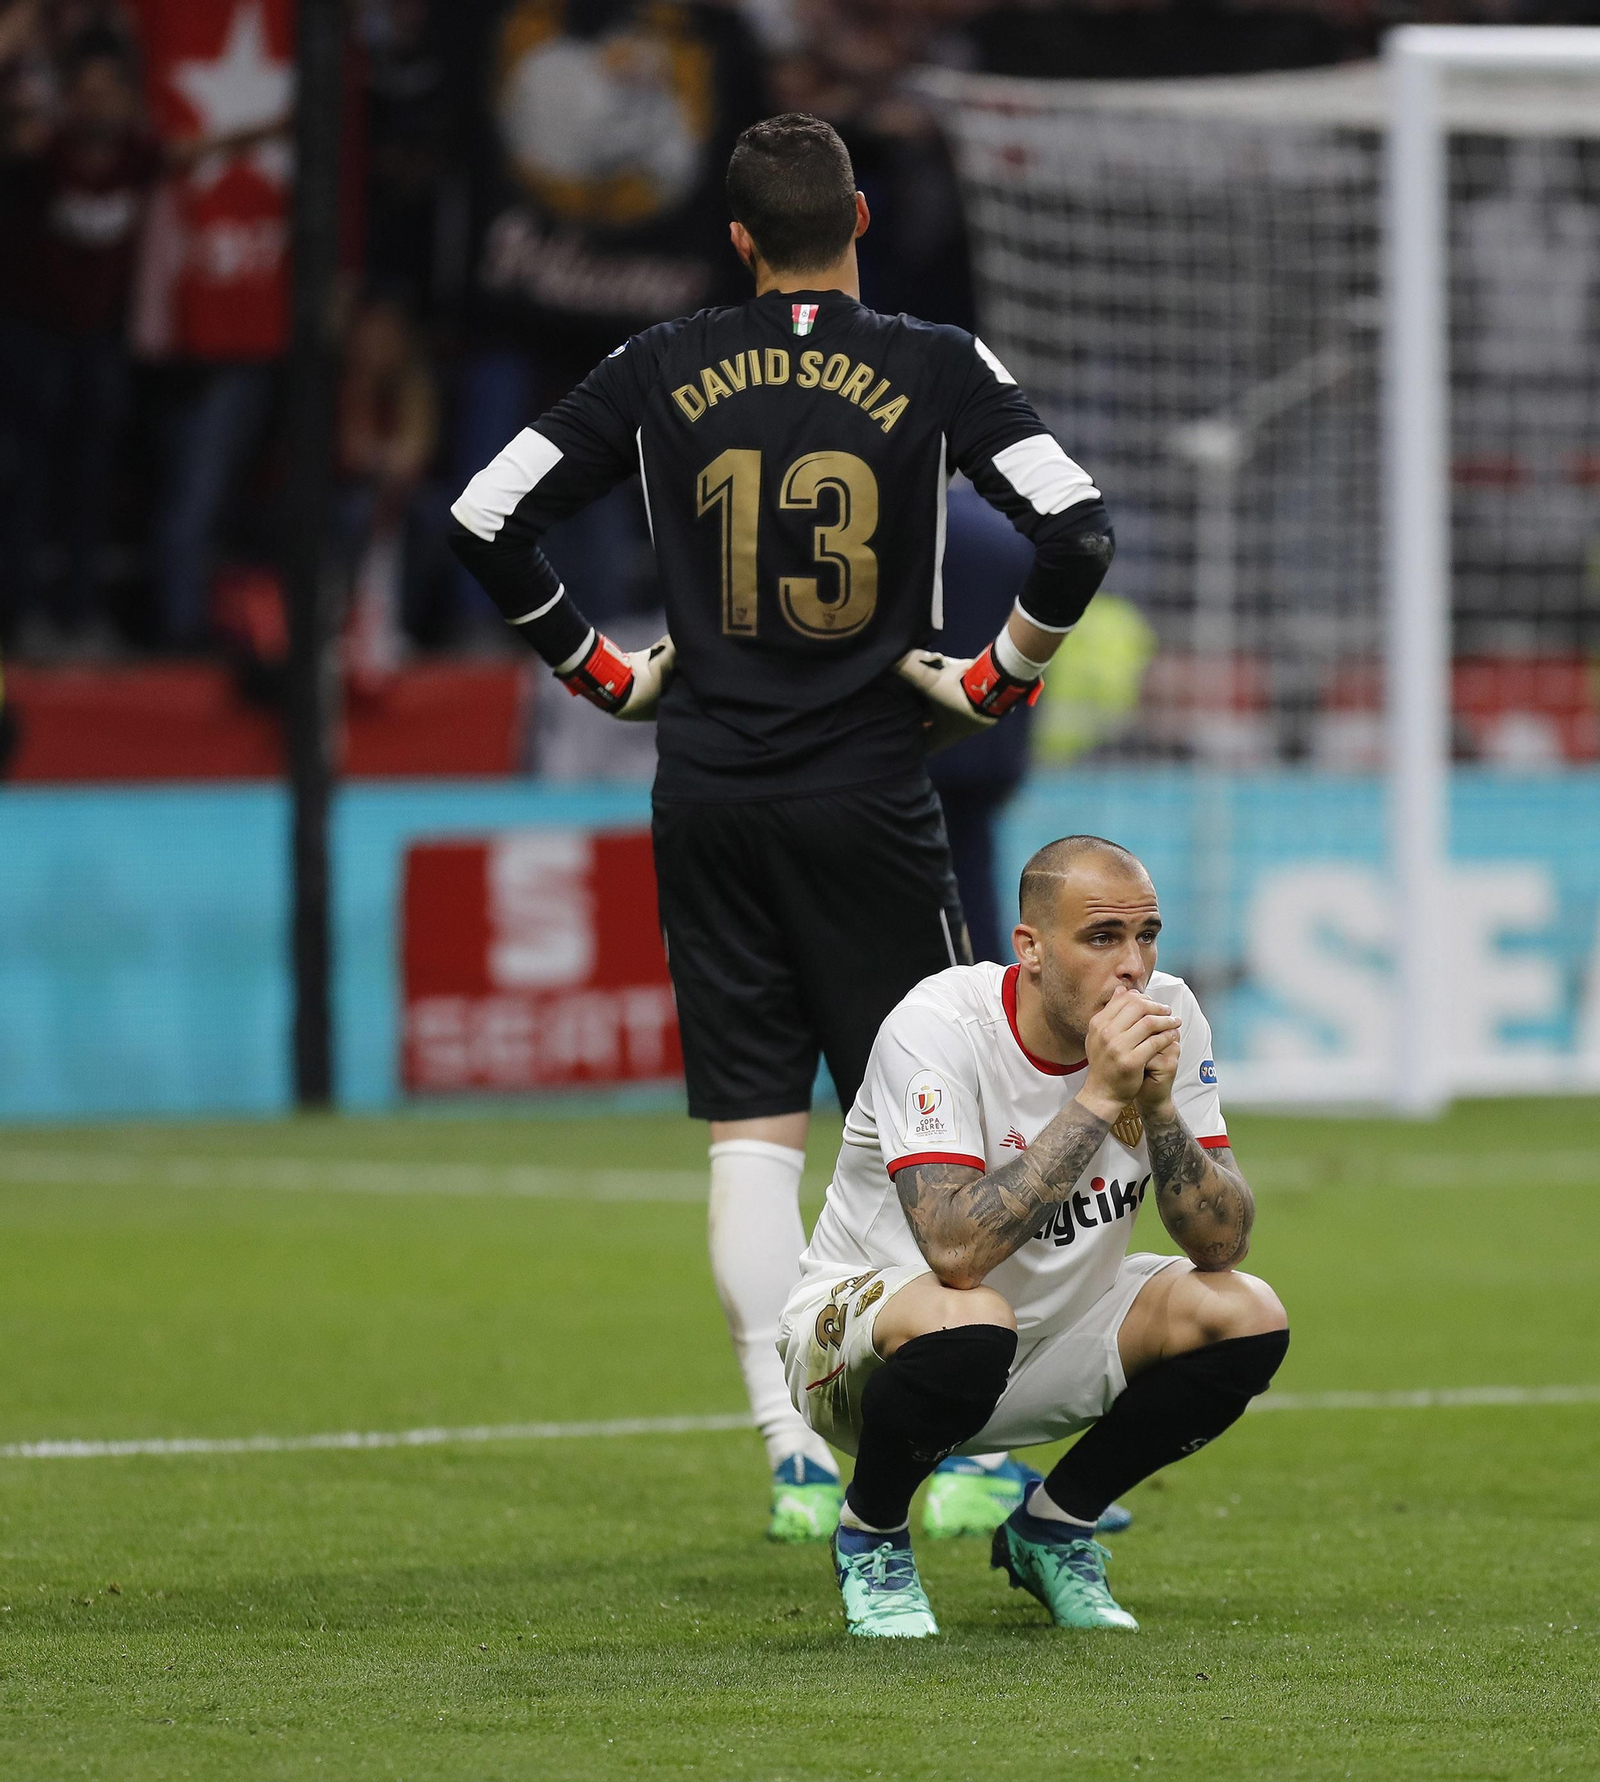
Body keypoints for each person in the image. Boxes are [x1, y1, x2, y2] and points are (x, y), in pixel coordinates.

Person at [447, 114, 1115, 1542]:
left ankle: (788, 1448)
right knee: (938, 1129)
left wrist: (602, 672)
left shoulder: (661, 361)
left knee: (751, 1138)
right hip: (872, 792)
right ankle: (948, 1445)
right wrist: (998, 675)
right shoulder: (933, 360)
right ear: (861, 215)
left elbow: (484, 517)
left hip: (709, 789)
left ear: (737, 237)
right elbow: (1081, 530)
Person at [778, 835, 1289, 1637]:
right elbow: (954, 1252)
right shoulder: (937, 1024)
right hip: (862, 1352)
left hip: (1042, 1344)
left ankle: (1054, 1524)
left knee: (1246, 1311)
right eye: (1102, 938)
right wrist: (1097, 1098)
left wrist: (1157, 1112)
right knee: (974, 1315)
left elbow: (1222, 1244)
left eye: (1146, 935)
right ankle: (872, 1534)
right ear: (1032, 949)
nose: (1133, 966)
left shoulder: (1174, 1012)